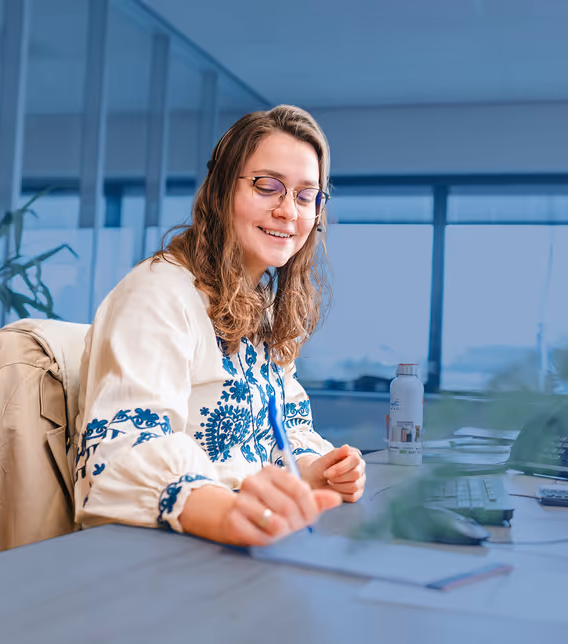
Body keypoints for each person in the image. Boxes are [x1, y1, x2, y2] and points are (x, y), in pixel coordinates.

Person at [73, 105, 366, 547]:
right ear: (221, 190)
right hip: (166, 548)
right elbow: (120, 452)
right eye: (268, 186)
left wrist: (316, 469)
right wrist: (227, 512)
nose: (288, 210)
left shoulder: (261, 308)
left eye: (307, 196)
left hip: (252, 536)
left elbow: (280, 430)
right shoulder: (157, 294)